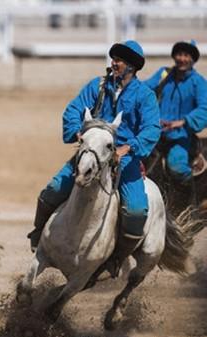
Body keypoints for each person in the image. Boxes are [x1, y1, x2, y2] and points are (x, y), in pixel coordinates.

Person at [27, 40, 161, 278]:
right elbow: (73, 110)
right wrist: (77, 132)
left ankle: (116, 258)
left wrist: (128, 148)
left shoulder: (145, 95)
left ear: (132, 67)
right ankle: (38, 236)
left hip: (124, 161)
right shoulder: (97, 86)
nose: (115, 63)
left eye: (120, 60)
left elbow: (151, 129)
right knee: (52, 190)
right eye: (114, 58)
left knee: (137, 211)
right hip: (90, 154)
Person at [143, 40, 207, 186]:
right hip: (156, 132)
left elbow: (205, 108)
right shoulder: (164, 74)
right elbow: (145, 90)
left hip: (181, 136)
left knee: (177, 168)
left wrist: (183, 121)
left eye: (186, 55)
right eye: (179, 54)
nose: (182, 59)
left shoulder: (199, 82)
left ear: (192, 59)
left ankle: (189, 197)